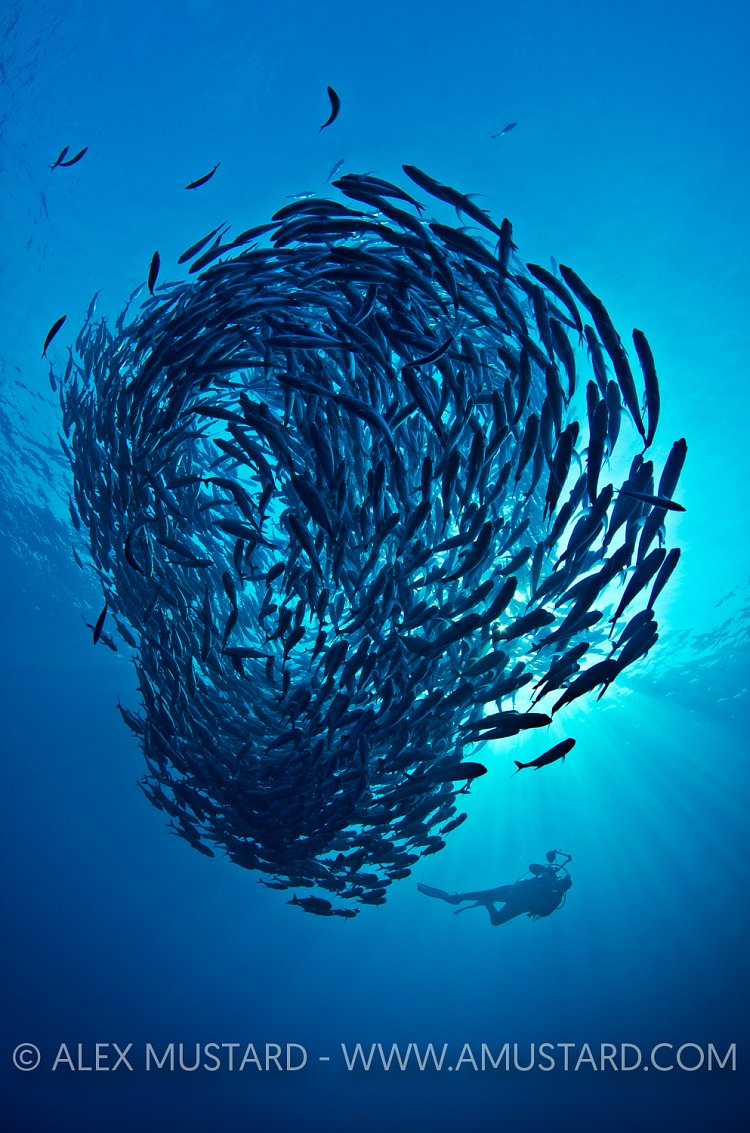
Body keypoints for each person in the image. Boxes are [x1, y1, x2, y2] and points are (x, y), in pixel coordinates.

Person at [417, 850, 573, 926]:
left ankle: (482, 902)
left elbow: (544, 912)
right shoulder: (551, 881)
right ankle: (456, 898)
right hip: (516, 894)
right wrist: (547, 871)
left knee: (494, 916)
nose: (557, 884)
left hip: (518, 900)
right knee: (485, 897)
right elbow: (532, 867)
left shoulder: (554, 898)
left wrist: (546, 874)